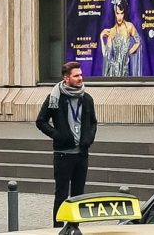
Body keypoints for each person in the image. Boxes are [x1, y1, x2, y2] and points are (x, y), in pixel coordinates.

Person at [35, 61, 99, 204]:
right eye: (76, 76)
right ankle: (57, 227)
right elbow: (41, 121)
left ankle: (75, 225)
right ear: (66, 78)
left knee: (79, 197)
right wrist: (59, 136)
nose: (80, 78)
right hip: (63, 154)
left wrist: (88, 139)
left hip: (81, 154)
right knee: (61, 196)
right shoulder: (55, 98)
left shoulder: (87, 98)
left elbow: (93, 122)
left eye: (81, 75)